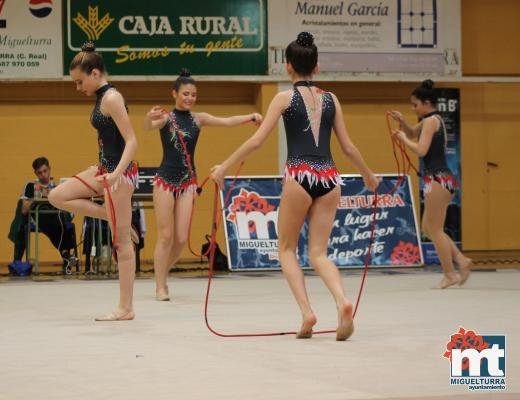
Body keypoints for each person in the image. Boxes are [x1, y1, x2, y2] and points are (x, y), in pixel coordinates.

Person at [210, 32, 380, 340]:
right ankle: (342, 301)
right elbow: (349, 147)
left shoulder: (283, 98)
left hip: (300, 175)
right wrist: (368, 175)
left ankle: (307, 312)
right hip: (329, 178)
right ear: (316, 68)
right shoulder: (332, 99)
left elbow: (257, 140)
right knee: (319, 253)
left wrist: (223, 167)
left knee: (286, 249)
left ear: (288, 67)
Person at [143, 69, 262, 301]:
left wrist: (251, 117)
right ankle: (160, 286)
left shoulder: (199, 119)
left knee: (180, 238)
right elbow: (148, 127)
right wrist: (149, 116)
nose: (189, 98)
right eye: (185, 93)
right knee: (165, 236)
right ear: (174, 94)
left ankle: (161, 274)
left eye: (193, 94)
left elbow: (227, 122)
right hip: (165, 181)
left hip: (188, 182)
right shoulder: (166, 118)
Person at [49, 41, 138, 321]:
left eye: (80, 81)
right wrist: (103, 168)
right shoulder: (100, 98)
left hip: (120, 174)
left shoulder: (112, 98)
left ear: (96, 73)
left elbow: (132, 141)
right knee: (57, 196)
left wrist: (116, 173)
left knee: (122, 242)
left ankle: (126, 308)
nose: (79, 88)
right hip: (104, 170)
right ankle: (112, 217)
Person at [389, 80, 472, 289]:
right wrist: (403, 123)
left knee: (434, 229)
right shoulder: (432, 120)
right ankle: (461, 260)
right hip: (439, 179)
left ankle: (449, 273)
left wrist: (401, 138)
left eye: (415, 105)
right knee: (429, 227)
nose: (413, 108)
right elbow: (412, 133)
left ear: (427, 103)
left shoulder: (431, 122)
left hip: (438, 179)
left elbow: (421, 149)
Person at [9, 157, 78, 273]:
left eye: (45, 171)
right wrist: (40, 195)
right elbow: (24, 209)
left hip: (53, 219)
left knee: (63, 220)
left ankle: (66, 255)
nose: (43, 175)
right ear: (36, 173)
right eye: (40, 173)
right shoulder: (30, 186)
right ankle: (66, 255)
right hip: (37, 218)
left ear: (49, 169)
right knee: (59, 223)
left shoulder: (56, 188)